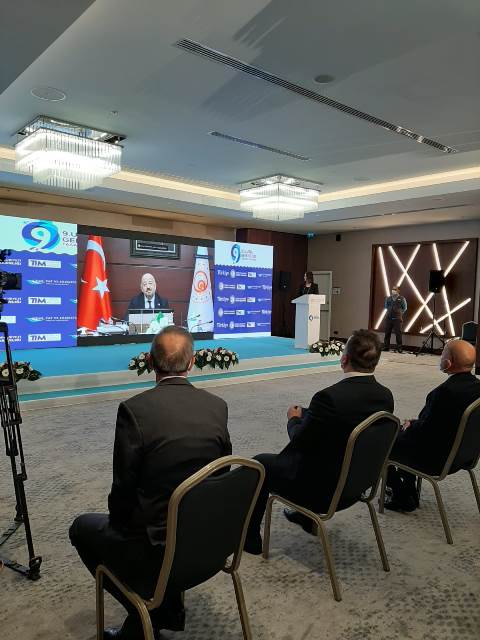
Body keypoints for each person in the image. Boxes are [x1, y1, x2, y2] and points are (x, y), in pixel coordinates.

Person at [69, 326, 231, 639]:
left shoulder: (135, 411)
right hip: (210, 541)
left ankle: (147, 615)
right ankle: (163, 608)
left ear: (149, 361)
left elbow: (123, 490)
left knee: (80, 529)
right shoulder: (217, 406)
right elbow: (221, 476)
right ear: (193, 362)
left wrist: (119, 528)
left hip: (158, 546)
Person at [244, 329, 394, 554]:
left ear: (344, 359)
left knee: (259, 463)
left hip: (324, 492)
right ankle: (305, 517)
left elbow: (301, 441)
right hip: (358, 484)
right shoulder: (385, 396)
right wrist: (310, 414)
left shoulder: (329, 398)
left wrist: (294, 419)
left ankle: (249, 539)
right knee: (322, 450)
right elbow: (344, 425)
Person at [385, 339, 480, 512]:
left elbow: (424, 433)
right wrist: (415, 425)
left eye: (443, 353)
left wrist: (410, 426)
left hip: (437, 460)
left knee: (386, 439)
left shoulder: (443, 393)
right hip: (464, 456)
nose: (441, 356)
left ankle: (401, 495)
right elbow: (437, 425)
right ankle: (409, 488)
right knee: (407, 433)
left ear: (448, 362)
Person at [383, 286, 407, 353]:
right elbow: (386, 306)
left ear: (398, 291)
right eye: (392, 289)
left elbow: (405, 308)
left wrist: (399, 312)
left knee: (398, 333)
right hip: (388, 318)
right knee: (387, 333)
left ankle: (399, 348)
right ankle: (386, 347)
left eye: (395, 289)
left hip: (397, 319)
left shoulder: (402, 298)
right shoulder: (388, 298)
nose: (393, 290)